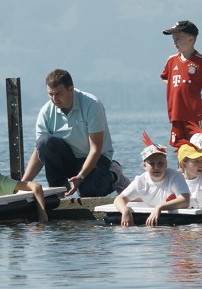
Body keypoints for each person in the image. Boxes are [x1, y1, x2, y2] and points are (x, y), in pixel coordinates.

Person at [21, 69, 127, 198]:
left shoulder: (92, 105)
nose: (54, 99)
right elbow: (40, 151)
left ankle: (115, 176)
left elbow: (96, 149)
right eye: (50, 94)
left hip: (96, 158)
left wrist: (81, 177)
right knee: (45, 142)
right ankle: (58, 191)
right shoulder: (46, 111)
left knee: (88, 191)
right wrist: (23, 184)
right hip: (69, 159)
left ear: (70, 89)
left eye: (58, 94)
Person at [160, 20, 202, 148]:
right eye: (173, 39)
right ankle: (182, 169)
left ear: (191, 39)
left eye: (178, 38)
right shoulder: (171, 60)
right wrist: (174, 87)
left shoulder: (201, 61)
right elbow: (164, 77)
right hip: (176, 113)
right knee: (181, 149)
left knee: (201, 146)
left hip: (195, 114)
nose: (175, 41)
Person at [114, 133, 191, 226]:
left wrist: (160, 207)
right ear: (144, 166)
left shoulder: (175, 176)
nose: (156, 167)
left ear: (166, 164)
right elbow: (119, 199)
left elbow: (185, 201)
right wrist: (125, 211)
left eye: (160, 163)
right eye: (152, 163)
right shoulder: (140, 181)